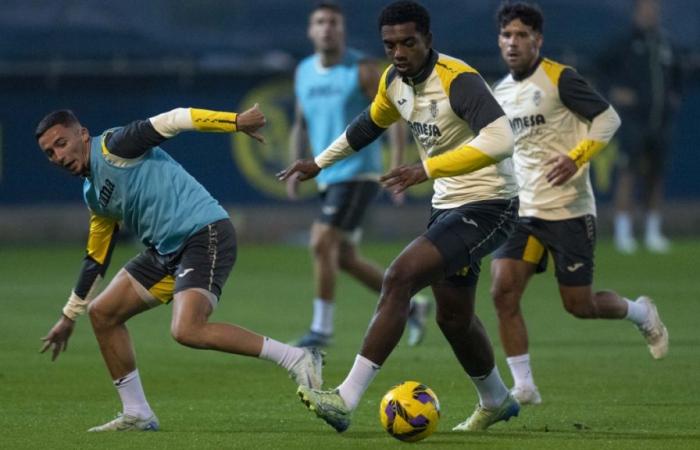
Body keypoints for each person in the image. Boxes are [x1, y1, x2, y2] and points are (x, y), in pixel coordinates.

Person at [279, 0, 521, 433]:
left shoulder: (457, 80)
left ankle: (344, 398)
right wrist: (318, 163)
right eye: (390, 44)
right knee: (453, 316)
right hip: (448, 205)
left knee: (399, 276)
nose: (399, 52)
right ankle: (497, 399)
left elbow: (503, 139)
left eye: (409, 42)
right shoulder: (394, 81)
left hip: (490, 204)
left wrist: (425, 169)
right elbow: (366, 126)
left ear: (428, 39)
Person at [37, 105, 324, 432]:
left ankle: (297, 358)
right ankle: (137, 413)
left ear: (82, 134)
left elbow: (173, 119)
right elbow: (96, 258)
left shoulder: (115, 146)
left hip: (204, 233)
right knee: (103, 314)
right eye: (49, 153)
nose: (57, 156)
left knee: (187, 329)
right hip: (165, 252)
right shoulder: (93, 195)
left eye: (61, 143)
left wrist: (235, 122)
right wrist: (68, 317)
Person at [489, 2, 669, 406]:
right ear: (499, 41)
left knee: (579, 305)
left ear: (538, 39)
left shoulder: (560, 79)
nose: (513, 42)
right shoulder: (500, 92)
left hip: (568, 210)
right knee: (503, 291)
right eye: (506, 35)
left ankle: (640, 313)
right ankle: (524, 386)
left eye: (521, 35)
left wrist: (576, 156)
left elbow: (608, 119)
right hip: (523, 211)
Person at [288, 1, 430, 348]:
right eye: (320, 22)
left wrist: (395, 165)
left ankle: (321, 331)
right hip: (327, 177)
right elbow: (300, 122)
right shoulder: (303, 70)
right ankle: (412, 307)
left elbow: (394, 116)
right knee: (344, 258)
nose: (326, 28)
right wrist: (294, 166)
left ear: (342, 29)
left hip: (357, 171)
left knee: (321, 241)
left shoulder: (363, 69)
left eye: (333, 22)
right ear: (311, 30)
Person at [601, 0, 682, 254]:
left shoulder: (665, 44)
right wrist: (614, 92)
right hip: (633, 122)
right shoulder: (624, 44)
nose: (650, 13)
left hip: (660, 121)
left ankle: (652, 231)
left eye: (654, 9)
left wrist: (673, 97)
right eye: (646, 9)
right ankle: (623, 232)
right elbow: (600, 70)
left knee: (655, 176)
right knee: (628, 173)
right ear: (636, 13)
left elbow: (679, 76)